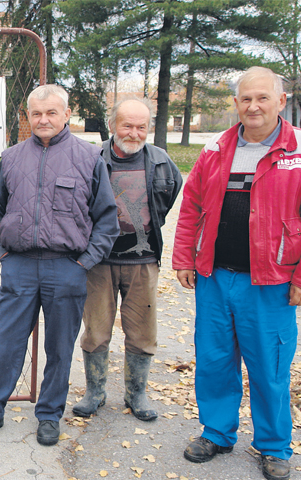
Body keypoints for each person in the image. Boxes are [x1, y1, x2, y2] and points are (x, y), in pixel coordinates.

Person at [0, 84, 118, 446]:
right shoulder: (12, 157)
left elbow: (107, 219)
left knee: (60, 347)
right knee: (5, 342)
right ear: (28, 116)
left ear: (67, 114)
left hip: (66, 268)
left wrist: (84, 262)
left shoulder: (89, 157)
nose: (43, 119)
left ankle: (49, 415)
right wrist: (3, 253)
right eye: (37, 113)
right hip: (19, 266)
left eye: (51, 112)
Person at [173, 66, 301, 480]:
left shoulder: (297, 151)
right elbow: (191, 205)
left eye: (263, 97)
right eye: (246, 98)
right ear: (236, 104)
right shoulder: (217, 148)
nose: (253, 105)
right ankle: (217, 432)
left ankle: (274, 445)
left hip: (270, 283)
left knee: (269, 366)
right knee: (214, 361)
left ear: (281, 102)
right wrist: (183, 258)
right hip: (214, 278)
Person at [73, 98, 182, 422]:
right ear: (112, 126)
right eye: (127, 125)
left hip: (143, 263)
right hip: (99, 263)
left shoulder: (161, 162)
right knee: (95, 331)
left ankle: (137, 393)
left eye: (141, 127)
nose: (134, 133)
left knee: (142, 334)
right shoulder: (90, 159)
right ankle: (95, 392)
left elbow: (170, 195)